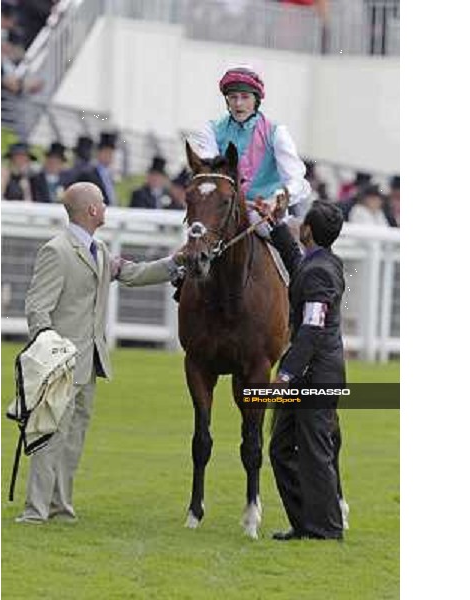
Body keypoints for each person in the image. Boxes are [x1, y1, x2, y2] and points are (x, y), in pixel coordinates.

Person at [15, 182, 183, 523]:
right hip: (60, 365)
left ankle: (61, 508)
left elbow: (133, 274)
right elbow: (37, 309)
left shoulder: (100, 250)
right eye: (103, 203)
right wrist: (49, 355)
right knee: (49, 436)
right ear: (92, 210)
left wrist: (174, 262)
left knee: (73, 438)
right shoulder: (57, 250)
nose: (106, 207)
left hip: (89, 363)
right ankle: (35, 511)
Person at [260, 197, 347, 541]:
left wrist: (285, 375)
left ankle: (326, 529)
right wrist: (278, 225)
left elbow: (312, 329)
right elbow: (297, 263)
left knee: (314, 450)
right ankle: (306, 523)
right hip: (311, 372)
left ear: (307, 230)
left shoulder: (320, 271)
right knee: (282, 448)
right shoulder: (320, 264)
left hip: (314, 374)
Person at [189, 65, 312, 235]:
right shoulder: (212, 130)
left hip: (266, 215)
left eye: (245, 97)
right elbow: (208, 173)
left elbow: (296, 180)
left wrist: (275, 201)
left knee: (268, 231)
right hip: (226, 212)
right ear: (227, 101)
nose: (238, 103)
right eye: (233, 97)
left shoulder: (276, 133)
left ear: (256, 100)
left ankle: (294, 261)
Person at [78, 132, 119, 206]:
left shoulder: (110, 175)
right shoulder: (88, 174)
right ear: (98, 153)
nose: (109, 155)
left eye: (111, 152)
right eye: (106, 152)